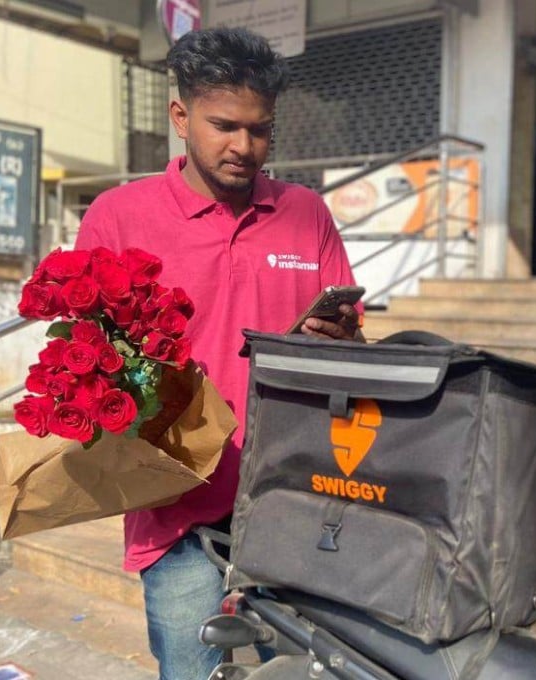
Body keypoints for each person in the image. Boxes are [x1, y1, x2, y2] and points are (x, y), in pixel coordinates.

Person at [74, 27, 364, 680]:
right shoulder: (120, 218)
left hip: (295, 502)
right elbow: (89, 359)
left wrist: (343, 340)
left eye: (259, 129)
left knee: (301, 671)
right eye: (224, 125)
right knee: (190, 672)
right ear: (180, 116)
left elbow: (353, 347)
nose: (244, 146)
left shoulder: (305, 214)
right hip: (176, 512)